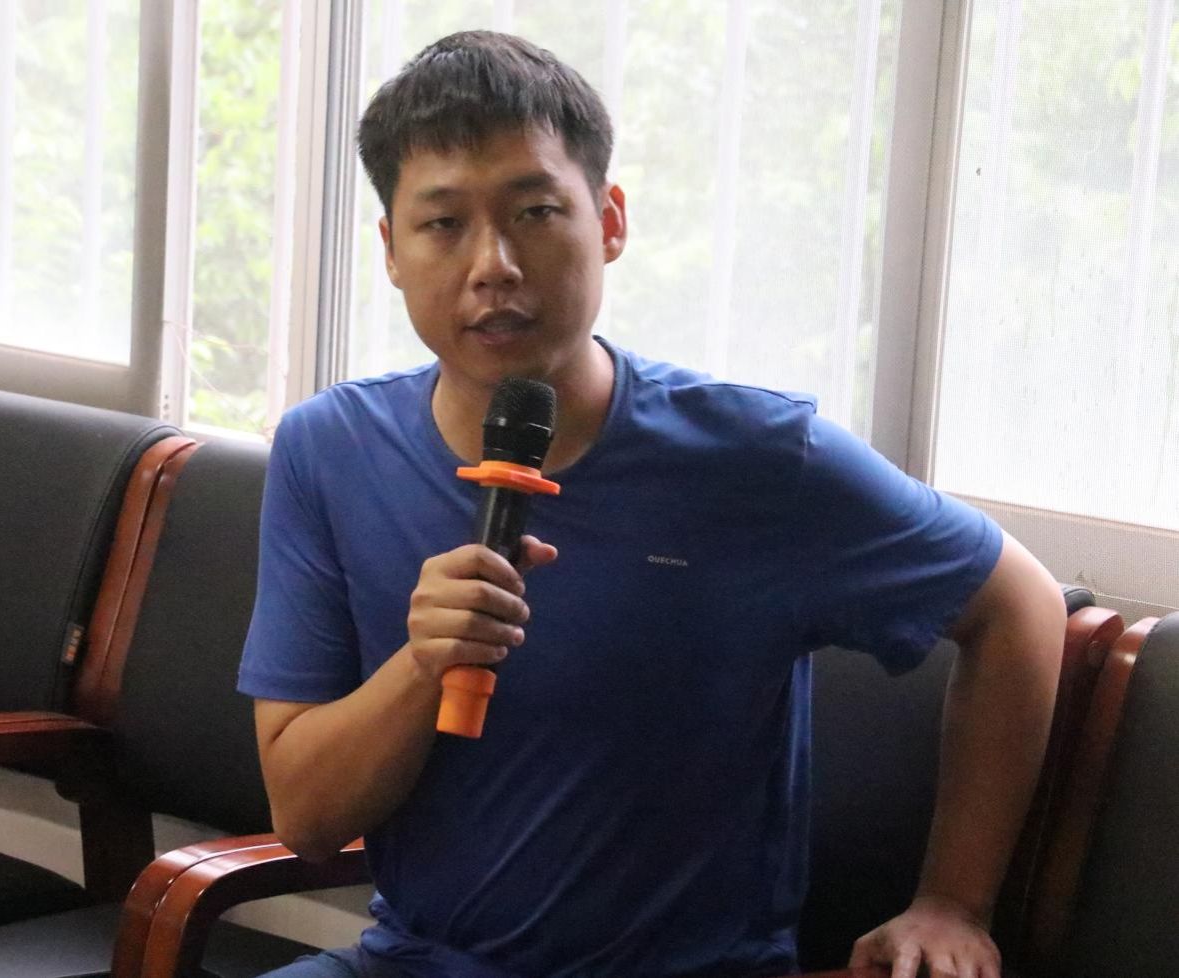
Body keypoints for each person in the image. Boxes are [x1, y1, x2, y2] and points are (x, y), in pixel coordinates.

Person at [239, 30, 1065, 978]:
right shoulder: (327, 450)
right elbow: (306, 818)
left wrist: (954, 902)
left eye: (535, 211)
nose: (493, 264)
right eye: (443, 224)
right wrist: (424, 665)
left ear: (610, 222)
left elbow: (1020, 605)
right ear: (390, 250)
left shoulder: (758, 458)